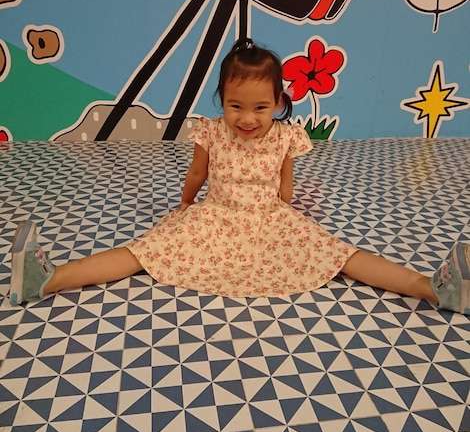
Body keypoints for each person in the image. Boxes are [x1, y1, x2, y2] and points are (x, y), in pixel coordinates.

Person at [8, 39, 470, 314]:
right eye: (235, 106)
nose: (247, 119)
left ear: (280, 104)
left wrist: (286, 217)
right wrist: (186, 211)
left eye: (261, 108)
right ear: (221, 101)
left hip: (267, 219)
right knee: (139, 252)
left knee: (342, 254)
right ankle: (47, 280)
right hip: (218, 218)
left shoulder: (286, 136)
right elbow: (196, 175)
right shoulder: (212, 132)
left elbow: (286, 186)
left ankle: (432, 288)